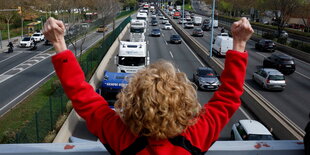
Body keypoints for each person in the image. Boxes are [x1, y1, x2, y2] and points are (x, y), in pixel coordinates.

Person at [44, 17, 253, 154]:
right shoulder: (195, 136)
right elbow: (228, 97)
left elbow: (84, 98)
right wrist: (239, 44)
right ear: (185, 103)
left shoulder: (122, 137)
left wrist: (60, 45)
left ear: (133, 102)